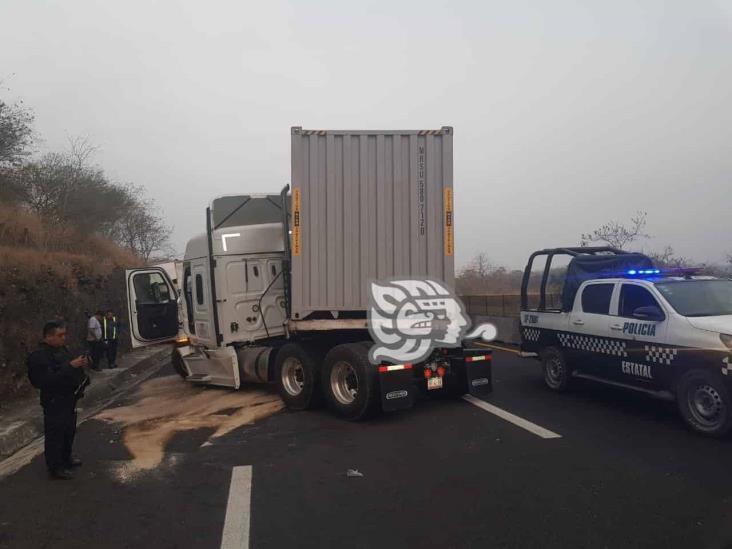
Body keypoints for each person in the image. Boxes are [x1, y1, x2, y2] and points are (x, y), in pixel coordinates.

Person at [27, 321, 89, 480]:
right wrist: (70, 366)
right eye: (60, 335)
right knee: (56, 434)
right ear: (48, 336)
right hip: (54, 400)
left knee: (69, 431)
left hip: (69, 397)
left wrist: (80, 365)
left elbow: (68, 368)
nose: (63, 338)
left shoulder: (61, 350)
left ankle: (66, 458)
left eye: (64, 335)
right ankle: (55, 467)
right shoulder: (39, 356)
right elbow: (44, 380)